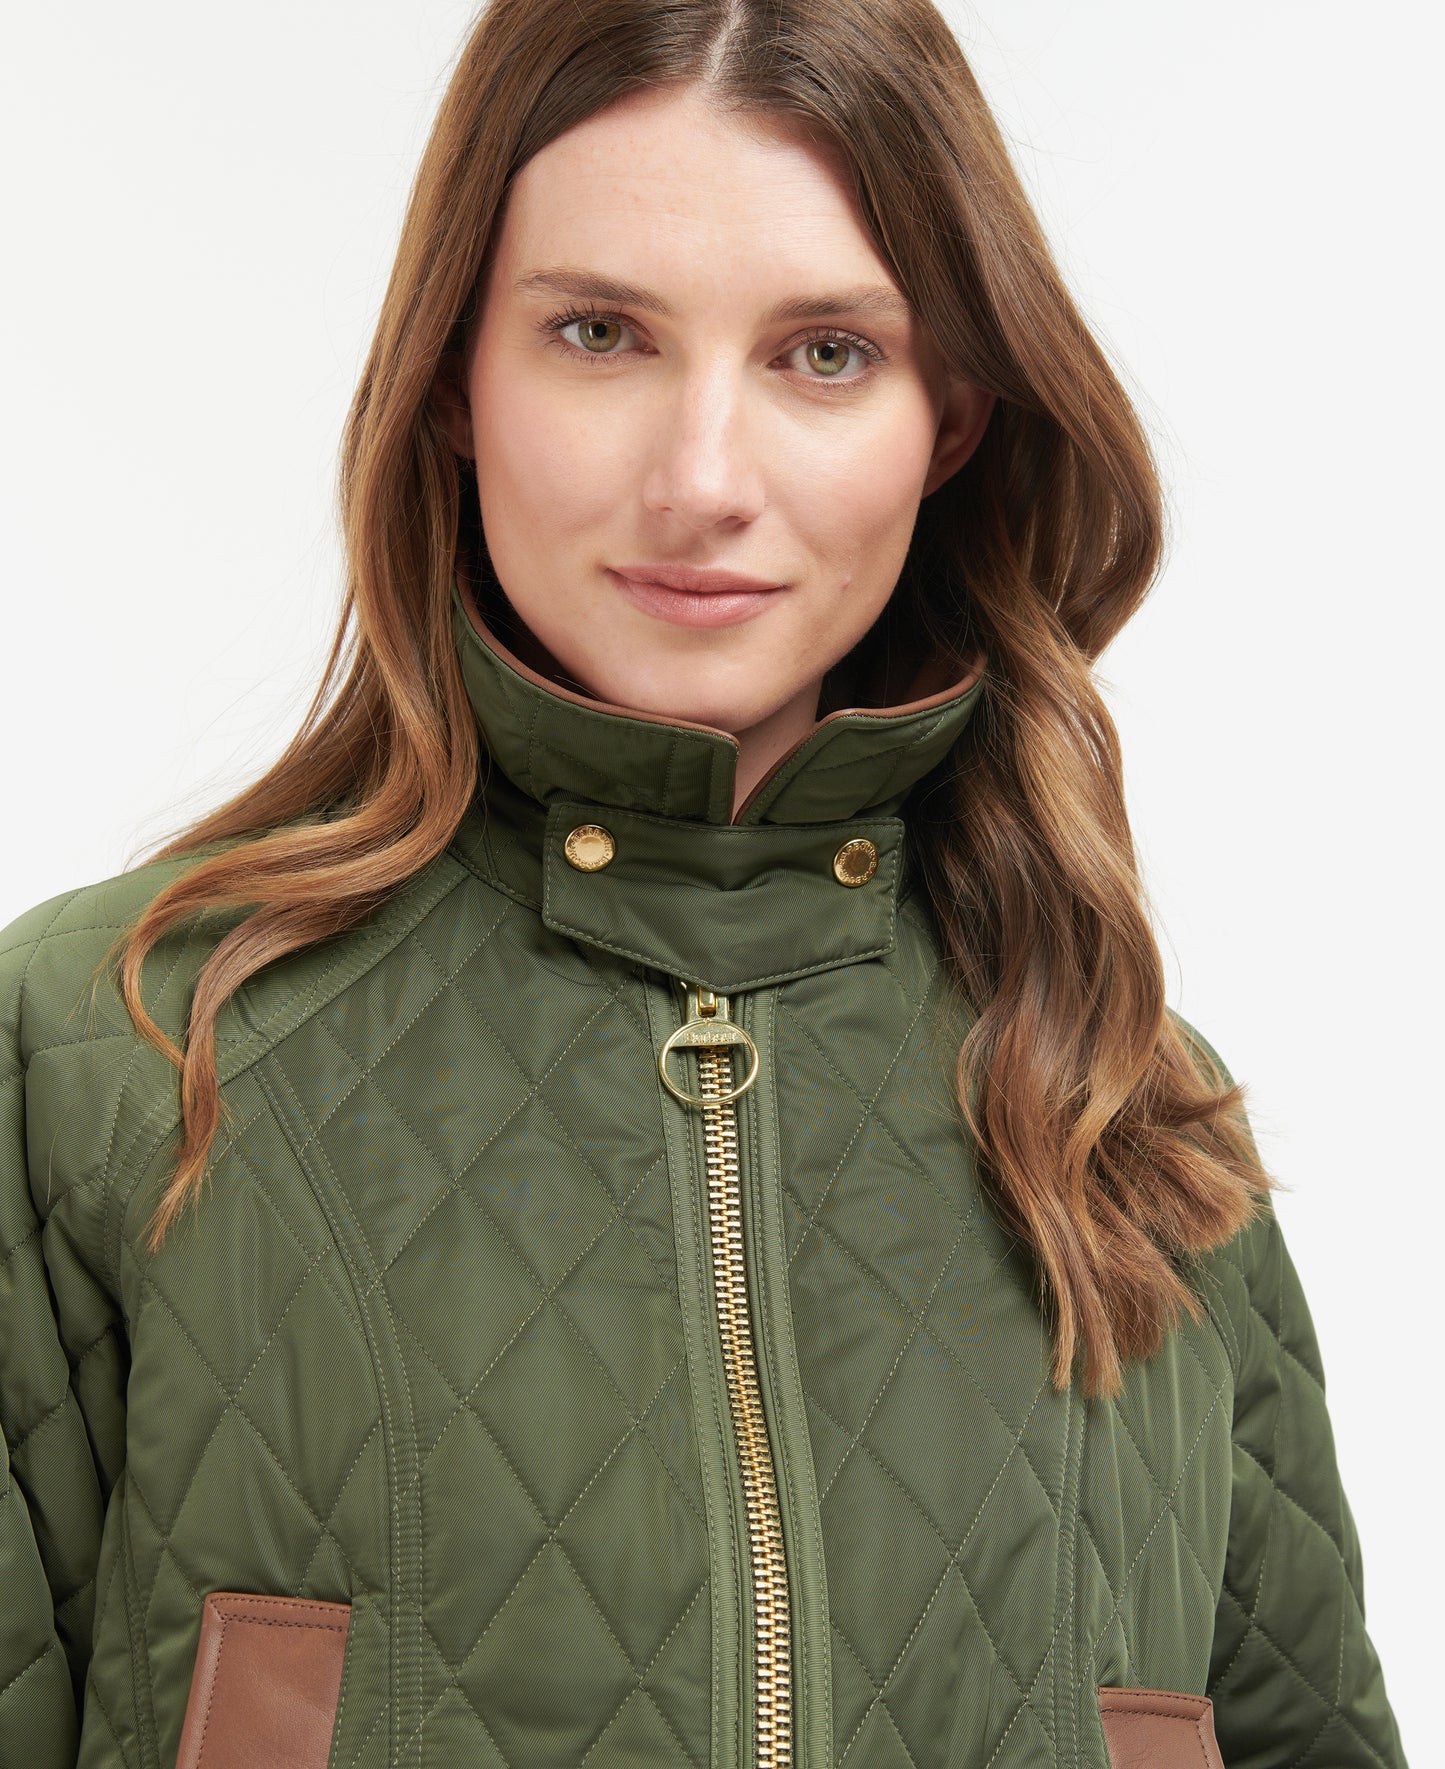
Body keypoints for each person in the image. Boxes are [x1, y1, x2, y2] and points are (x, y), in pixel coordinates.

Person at [0, 1, 1408, 1765]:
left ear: (952, 415)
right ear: (453, 379)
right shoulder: (109, 1053)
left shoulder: (1130, 1117)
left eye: (825, 353)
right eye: (599, 334)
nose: (702, 480)